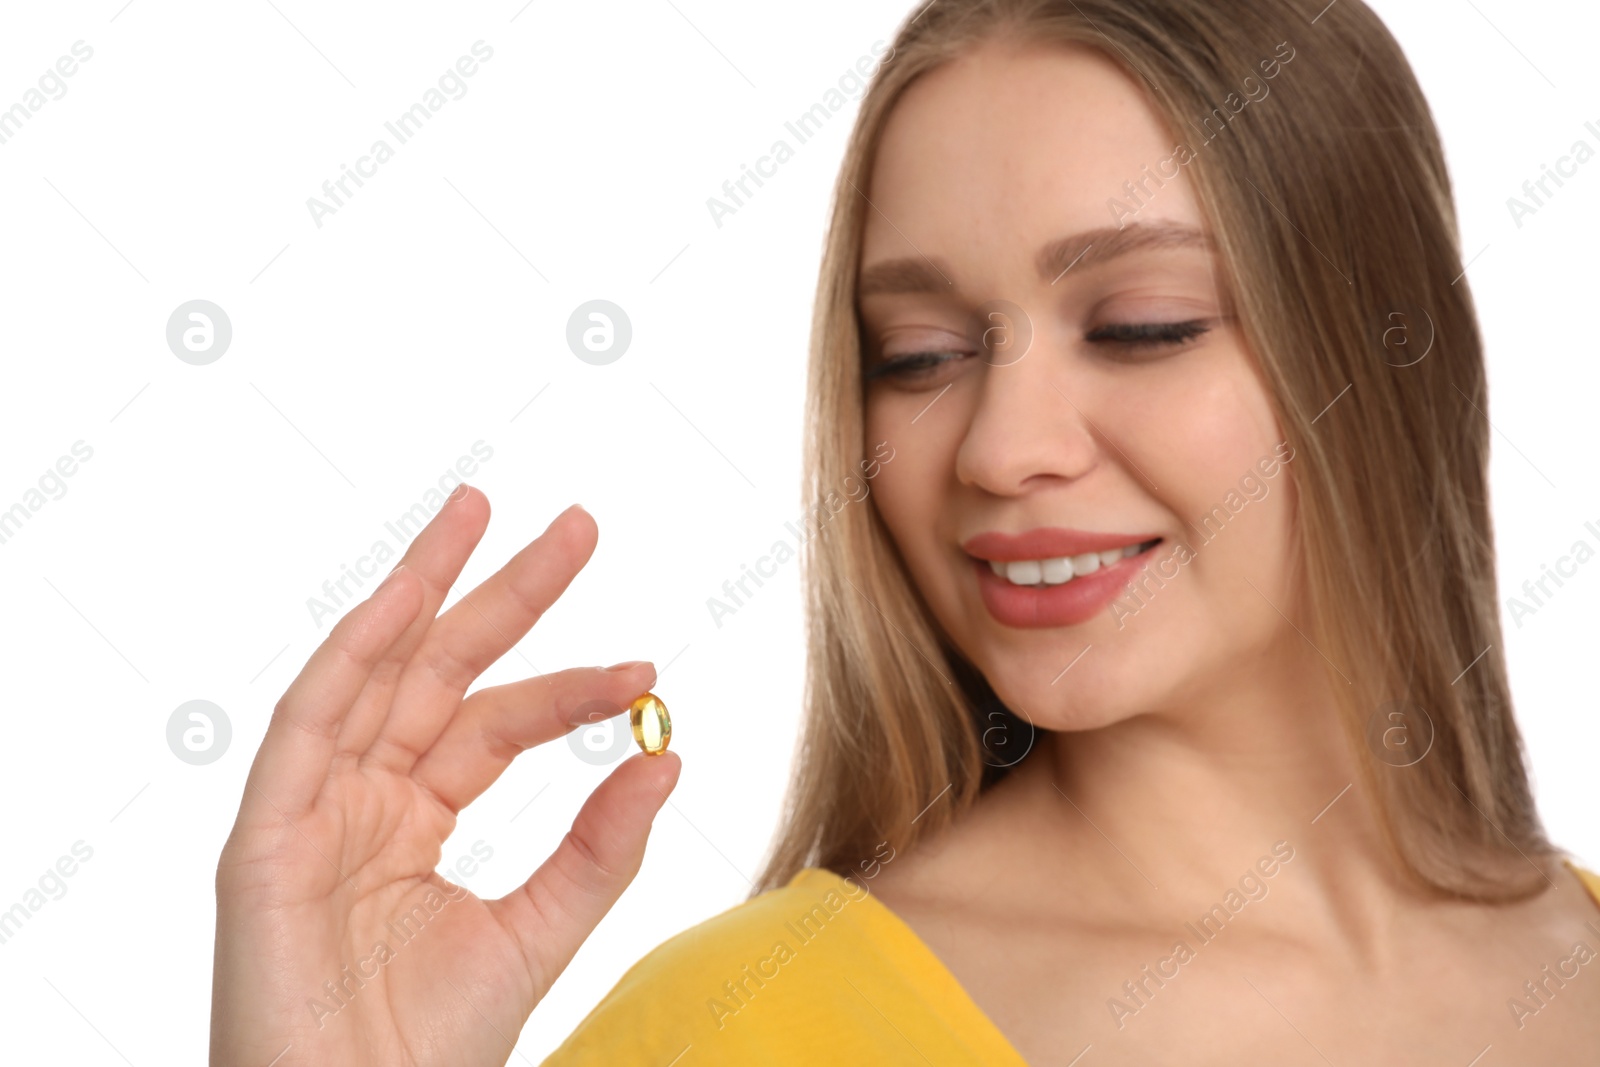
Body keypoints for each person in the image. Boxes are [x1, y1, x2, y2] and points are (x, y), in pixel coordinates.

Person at [210, 1, 1600, 1063]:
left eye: (1140, 327)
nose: (999, 448)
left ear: (1388, 350)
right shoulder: (743, 1032)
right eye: (921, 354)